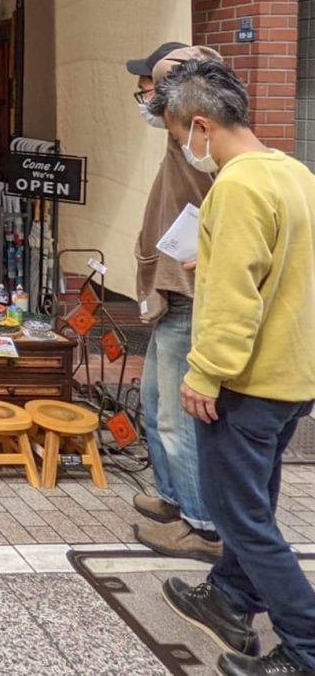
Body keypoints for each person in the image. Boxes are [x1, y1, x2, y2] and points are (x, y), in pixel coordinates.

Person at [152, 59, 315, 676]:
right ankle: (229, 597)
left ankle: (305, 646)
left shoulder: (238, 186)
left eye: (180, 137)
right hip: (292, 374)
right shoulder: (294, 173)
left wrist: (206, 372)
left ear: (200, 125)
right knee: (255, 506)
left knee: (240, 519)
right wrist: (212, 259)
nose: (185, 150)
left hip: (247, 381)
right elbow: (281, 267)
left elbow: (236, 296)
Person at [128, 42, 224, 562]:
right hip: (171, 290)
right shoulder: (179, 140)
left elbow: (197, 72)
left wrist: (168, 80)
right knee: (155, 404)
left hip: (189, 296)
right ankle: (170, 497)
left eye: (148, 88)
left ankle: (201, 526)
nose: (141, 98)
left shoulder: (198, 140)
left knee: (177, 415)